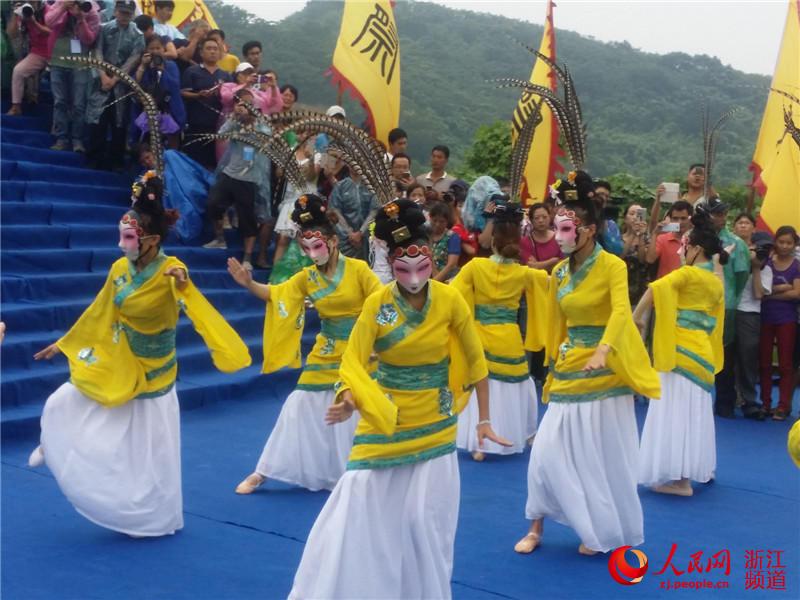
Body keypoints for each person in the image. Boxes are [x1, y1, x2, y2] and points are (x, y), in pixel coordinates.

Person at [289, 199, 509, 599]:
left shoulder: (450, 300)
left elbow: (476, 363)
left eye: (421, 265)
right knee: (355, 504)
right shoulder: (378, 303)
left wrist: (483, 420)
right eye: (402, 267)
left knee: (426, 522)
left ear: (431, 257)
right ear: (390, 263)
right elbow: (353, 361)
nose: (413, 276)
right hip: (385, 419)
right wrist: (349, 398)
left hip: (436, 423)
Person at [29, 174, 251, 537]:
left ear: (152, 240)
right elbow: (100, 310)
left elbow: (188, 293)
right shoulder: (119, 269)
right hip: (122, 358)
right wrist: (65, 343)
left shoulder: (171, 269)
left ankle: (153, 516)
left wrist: (182, 283)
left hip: (155, 372)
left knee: (150, 454)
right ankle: (56, 441)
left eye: (130, 238)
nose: (123, 244)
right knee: (63, 399)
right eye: (122, 236)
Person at [514, 171, 660, 556]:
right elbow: (556, 323)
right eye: (558, 228)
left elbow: (621, 311)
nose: (559, 236)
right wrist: (550, 365)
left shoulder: (612, 265)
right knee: (545, 452)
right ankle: (535, 525)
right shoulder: (559, 272)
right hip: (568, 367)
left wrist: (604, 350)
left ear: (589, 230)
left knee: (597, 455)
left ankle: (597, 527)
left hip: (604, 371)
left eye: (566, 228)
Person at [230, 194, 383, 494]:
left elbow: (381, 303)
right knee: (299, 403)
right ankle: (265, 470)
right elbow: (276, 294)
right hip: (327, 349)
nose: (313, 253)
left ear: (333, 241)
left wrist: (376, 342)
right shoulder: (307, 277)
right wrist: (248, 283)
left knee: (355, 406)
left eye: (317, 246)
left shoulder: (358, 270)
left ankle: (356, 472)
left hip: (361, 348)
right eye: (306, 248)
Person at [635, 210, 726, 497]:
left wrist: (636, 317)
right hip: (702, 353)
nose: (681, 251)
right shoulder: (715, 281)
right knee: (694, 413)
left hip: (680, 353)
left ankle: (681, 481)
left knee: (675, 412)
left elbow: (655, 289)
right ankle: (691, 472)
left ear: (695, 249)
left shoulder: (686, 274)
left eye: (685, 246)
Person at [453, 204, 547, 460]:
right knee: (510, 385)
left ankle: (478, 442)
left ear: (493, 240)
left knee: (481, 383)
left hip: (479, 334)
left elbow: (452, 295)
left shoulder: (475, 267)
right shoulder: (525, 273)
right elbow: (552, 288)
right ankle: (512, 433)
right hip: (509, 337)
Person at [201, 89, 268, 270]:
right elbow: (220, 136)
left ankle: (247, 258)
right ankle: (219, 238)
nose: (245, 107)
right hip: (230, 172)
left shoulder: (261, 122)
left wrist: (251, 121)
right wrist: (234, 119)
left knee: (247, 217)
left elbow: (267, 138)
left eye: (248, 103)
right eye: (241, 103)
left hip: (249, 178)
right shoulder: (233, 121)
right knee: (213, 203)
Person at [705, 197, 751, 418]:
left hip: (726, 306)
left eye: (723, 213)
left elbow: (742, 275)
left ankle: (724, 402)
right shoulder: (695, 239)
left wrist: (730, 297)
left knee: (725, 353)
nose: (720, 217)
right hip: (698, 305)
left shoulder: (736, 243)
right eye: (716, 213)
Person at [85, 0, 144, 170]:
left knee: (119, 122)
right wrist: (103, 75)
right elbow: (97, 51)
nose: (124, 16)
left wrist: (116, 78)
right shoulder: (104, 28)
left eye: (128, 13)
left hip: (122, 83)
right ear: (116, 11)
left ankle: (116, 161)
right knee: (98, 118)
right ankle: (94, 157)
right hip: (101, 79)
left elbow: (133, 60)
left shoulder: (137, 35)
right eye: (122, 12)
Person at [45, 0, 100, 152]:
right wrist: (64, 7)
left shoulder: (91, 10)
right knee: (59, 101)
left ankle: (77, 140)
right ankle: (61, 138)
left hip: (79, 64)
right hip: (57, 60)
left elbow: (89, 39)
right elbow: (49, 22)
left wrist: (81, 19)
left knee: (79, 104)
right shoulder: (61, 3)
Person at [733, 215, 773, 420]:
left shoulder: (763, 260)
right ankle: (727, 399)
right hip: (729, 310)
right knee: (727, 359)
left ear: (753, 228)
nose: (743, 226)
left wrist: (756, 264)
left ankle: (750, 401)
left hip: (749, 313)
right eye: (739, 223)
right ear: (734, 227)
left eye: (747, 223)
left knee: (748, 358)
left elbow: (759, 294)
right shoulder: (728, 252)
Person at [759, 226, 800, 421]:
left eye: (789, 243)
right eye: (781, 242)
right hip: (765, 318)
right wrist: (782, 288)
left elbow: (797, 293)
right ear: (775, 242)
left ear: (794, 245)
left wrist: (771, 294)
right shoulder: (766, 263)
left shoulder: (797, 265)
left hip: (787, 320)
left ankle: (783, 406)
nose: (784, 246)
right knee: (764, 363)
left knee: (785, 365)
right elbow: (761, 291)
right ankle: (765, 403)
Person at [180, 36, 231, 169]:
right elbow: (183, 93)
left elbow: (231, 98)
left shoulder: (225, 75)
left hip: (219, 128)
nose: (212, 51)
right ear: (201, 53)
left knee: (214, 164)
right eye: (209, 48)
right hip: (196, 125)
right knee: (194, 164)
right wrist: (198, 95)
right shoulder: (192, 71)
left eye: (215, 49)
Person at [133, 34, 185, 148]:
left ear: (163, 49)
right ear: (146, 50)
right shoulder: (144, 66)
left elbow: (175, 86)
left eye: (158, 48)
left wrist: (162, 71)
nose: (155, 51)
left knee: (171, 146)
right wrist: (143, 66)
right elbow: (135, 84)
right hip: (148, 111)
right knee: (147, 145)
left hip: (169, 111)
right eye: (152, 48)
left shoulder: (171, 65)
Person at [6, 1, 50, 116]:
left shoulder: (47, 9)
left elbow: (50, 32)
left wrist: (33, 22)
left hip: (54, 52)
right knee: (18, 71)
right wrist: (15, 15)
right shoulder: (24, 9)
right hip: (38, 52)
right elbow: (11, 34)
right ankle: (16, 107)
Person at [329, 171, 380, 260]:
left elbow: (374, 211)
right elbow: (335, 211)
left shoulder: (372, 185)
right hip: (345, 239)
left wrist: (361, 232)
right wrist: (350, 233)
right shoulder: (340, 186)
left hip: (369, 237)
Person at [645, 200, 694, 279]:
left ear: (690, 219)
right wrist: (655, 234)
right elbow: (650, 259)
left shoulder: (696, 241)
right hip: (666, 285)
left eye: (683, 218)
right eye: (675, 218)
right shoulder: (662, 239)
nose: (679, 222)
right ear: (670, 219)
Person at [620, 203, 652, 306]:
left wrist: (641, 235)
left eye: (639, 214)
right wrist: (633, 234)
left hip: (640, 288)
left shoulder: (647, 239)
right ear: (625, 218)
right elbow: (620, 257)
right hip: (621, 285)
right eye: (632, 213)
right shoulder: (618, 238)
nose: (635, 217)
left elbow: (643, 260)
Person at [521, 202, 562, 273]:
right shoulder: (525, 242)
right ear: (531, 220)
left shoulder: (559, 238)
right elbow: (531, 268)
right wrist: (553, 261)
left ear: (550, 217)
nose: (541, 221)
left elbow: (563, 265)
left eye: (544, 217)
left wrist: (539, 265)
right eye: (536, 218)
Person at [429, 202, 461, 282]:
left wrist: (435, 281)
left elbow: (451, 264)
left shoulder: (452, 237)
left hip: (446, 278)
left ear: (447, 222)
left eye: (442, 221)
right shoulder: (426, 234)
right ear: (430, 218)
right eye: (434, 220)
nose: (437, 224)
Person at [592, 180, 623, 256]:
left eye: (606, 196)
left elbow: (617, 250)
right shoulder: (580, 218)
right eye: (601, 194)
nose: (603, 198)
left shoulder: (611, 225)